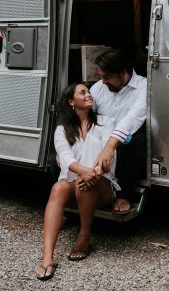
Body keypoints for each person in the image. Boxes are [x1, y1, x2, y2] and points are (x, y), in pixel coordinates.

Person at [37, 83, 119, 281]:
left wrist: (92, 174)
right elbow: (64, 156)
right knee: (58, 187)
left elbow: (108, 154)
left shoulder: (105, 122)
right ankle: (47, 258)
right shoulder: (62, 130)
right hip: (73, 184)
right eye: (83, 92)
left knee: (84, 184)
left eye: (89, 92)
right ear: (71, 101)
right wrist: (83, 171)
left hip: (102, 186)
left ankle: (84, 235)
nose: (88, 94)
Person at [91, 48, 147, 215]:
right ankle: (68, 199)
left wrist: (109, 147)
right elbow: (86, 116)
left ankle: (124, 195)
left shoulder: (144, 86)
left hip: (126, 139)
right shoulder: (98, 88)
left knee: (135, 141)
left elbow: (132, 119)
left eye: (107, 77)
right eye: (101, 77)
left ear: (123, 72)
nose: (103, 82)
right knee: (55, 158)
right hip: (100, 137)